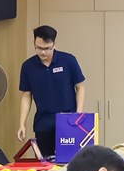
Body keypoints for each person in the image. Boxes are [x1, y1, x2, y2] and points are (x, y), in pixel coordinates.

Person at [16, 24, 86, 158]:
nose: (43, 52)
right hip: (43, 123)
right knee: (45, 163)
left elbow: (80, 87)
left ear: (54, 44)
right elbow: (26, 95)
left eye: (47, 48)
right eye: (39, 48)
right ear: (34, 43)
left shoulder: (68, 61)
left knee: (71, 161)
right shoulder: (28, 66)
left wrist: (78, 114)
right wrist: (22, 123)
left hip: (68, 121)